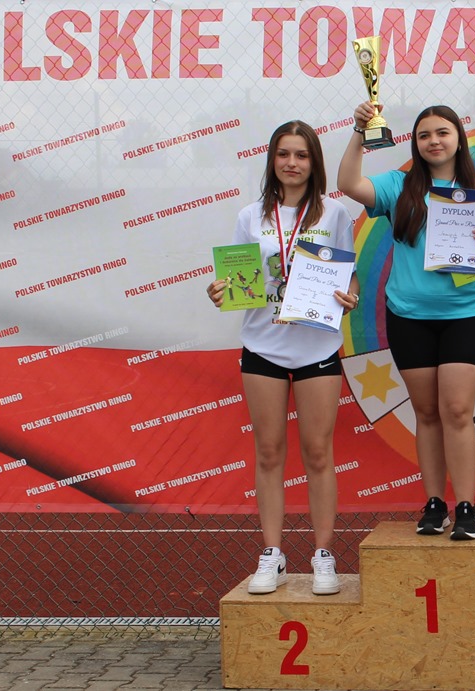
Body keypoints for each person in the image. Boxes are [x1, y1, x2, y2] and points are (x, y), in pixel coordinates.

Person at [338, 102, 475, 540]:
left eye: (442, 132)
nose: (434, 141)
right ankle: (435, 503)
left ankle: (467, 506)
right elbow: (348, 183)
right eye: (424, 135)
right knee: (427, 413)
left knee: (457, 410)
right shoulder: (398, 186)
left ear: (458, 139)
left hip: (466, 314)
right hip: (409, 317)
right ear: (415, 144)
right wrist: (359, 131)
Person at [206, 121, 359, 595]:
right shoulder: (250, 215)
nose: (292, 163)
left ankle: (324, 555)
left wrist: (350, 296)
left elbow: (349, 275)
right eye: (283, 154)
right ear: (272, 160)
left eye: (302, 155)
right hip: (263, 345)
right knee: (269, 453)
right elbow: (238, 278)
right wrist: (220, 290)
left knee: (318, 453)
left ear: (314, 162)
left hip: (317, 347)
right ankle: (271, 554)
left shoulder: (334, 213)